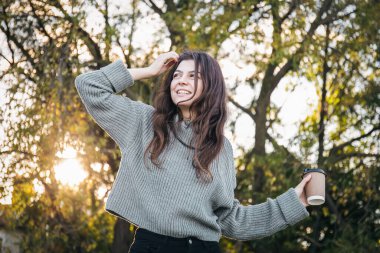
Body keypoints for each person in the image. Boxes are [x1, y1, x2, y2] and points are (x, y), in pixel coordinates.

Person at [75, 50, 312, 253]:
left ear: (211, 85)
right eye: (176, 75)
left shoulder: (221, 147)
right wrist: (149, 70)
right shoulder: (144, 123)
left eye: (193, 76)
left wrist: (294, 202)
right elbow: (89, 86)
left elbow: (230, 219)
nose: (181, 81)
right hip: (153, 247)